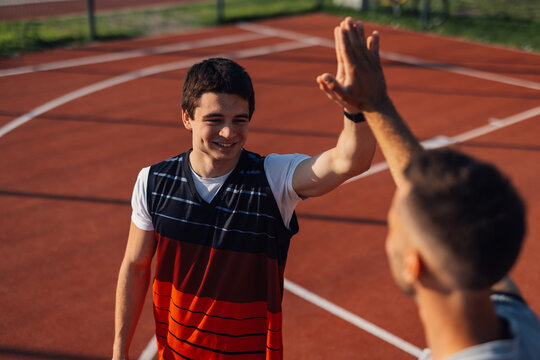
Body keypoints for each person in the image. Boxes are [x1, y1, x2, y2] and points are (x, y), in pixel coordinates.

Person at [112, 56, 376, 359]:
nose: (228, 132)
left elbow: (350, 161)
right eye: (214, 120)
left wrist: (357, 109)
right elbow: (135, 267)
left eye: (240, 120)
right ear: (187, 117)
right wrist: (120, 352)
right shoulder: (153, 181)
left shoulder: (273, 178)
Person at [317, 17, 540, 360]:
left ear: (414, 264)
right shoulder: (519, 325)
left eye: (392, 226)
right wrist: (376, 106)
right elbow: (423, 190)